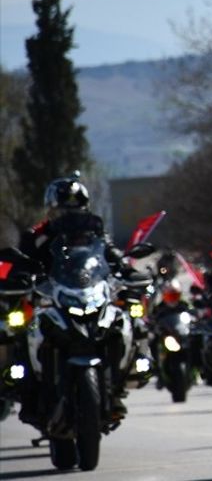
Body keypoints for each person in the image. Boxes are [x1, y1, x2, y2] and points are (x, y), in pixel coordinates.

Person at [18, 173, 139, 422]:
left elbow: (108, 250)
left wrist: (126, 269)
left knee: (122, 321)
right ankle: (28, 394)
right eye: (64, 207)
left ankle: (118, 384)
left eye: (76, 206)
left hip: (90, 292)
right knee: (26, 332)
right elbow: (25, 257)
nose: (70, 213)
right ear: (52, 209)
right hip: (53, 295)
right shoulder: (39, 234)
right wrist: (22, 274)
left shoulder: (94, 227)